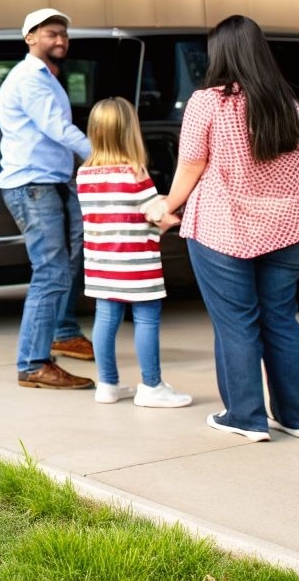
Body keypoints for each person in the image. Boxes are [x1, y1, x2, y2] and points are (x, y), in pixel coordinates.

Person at [147, 15, 299, 443]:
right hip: (288, 227)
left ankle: (245, 416)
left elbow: (190, 163)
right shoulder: (289, 105)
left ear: (219, 53)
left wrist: (167, 205)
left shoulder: (209, 102)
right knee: (281, 320)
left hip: (224, 228)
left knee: (237, 324)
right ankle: (298, 417)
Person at [0, 8, 94, 390]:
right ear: (30, 37)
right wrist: (103, 155)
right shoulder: (30, 79)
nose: (60, 41)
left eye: (64, 35)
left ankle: (53, 343)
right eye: (52, 33)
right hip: (33, 185)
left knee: (58, 267)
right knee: (50, 271)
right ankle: (34, 364)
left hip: (47, 182)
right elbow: (58, 128)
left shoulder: (46, 78)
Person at [77, 97, 193, 409]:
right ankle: (152, 385)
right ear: (130, 132)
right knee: (146, 318)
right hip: (138, 263)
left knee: (106, 317)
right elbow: (156, 213)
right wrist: (177, 210)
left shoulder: (84, 175)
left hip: (101, 263)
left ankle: (107, 384)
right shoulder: (135, 173)